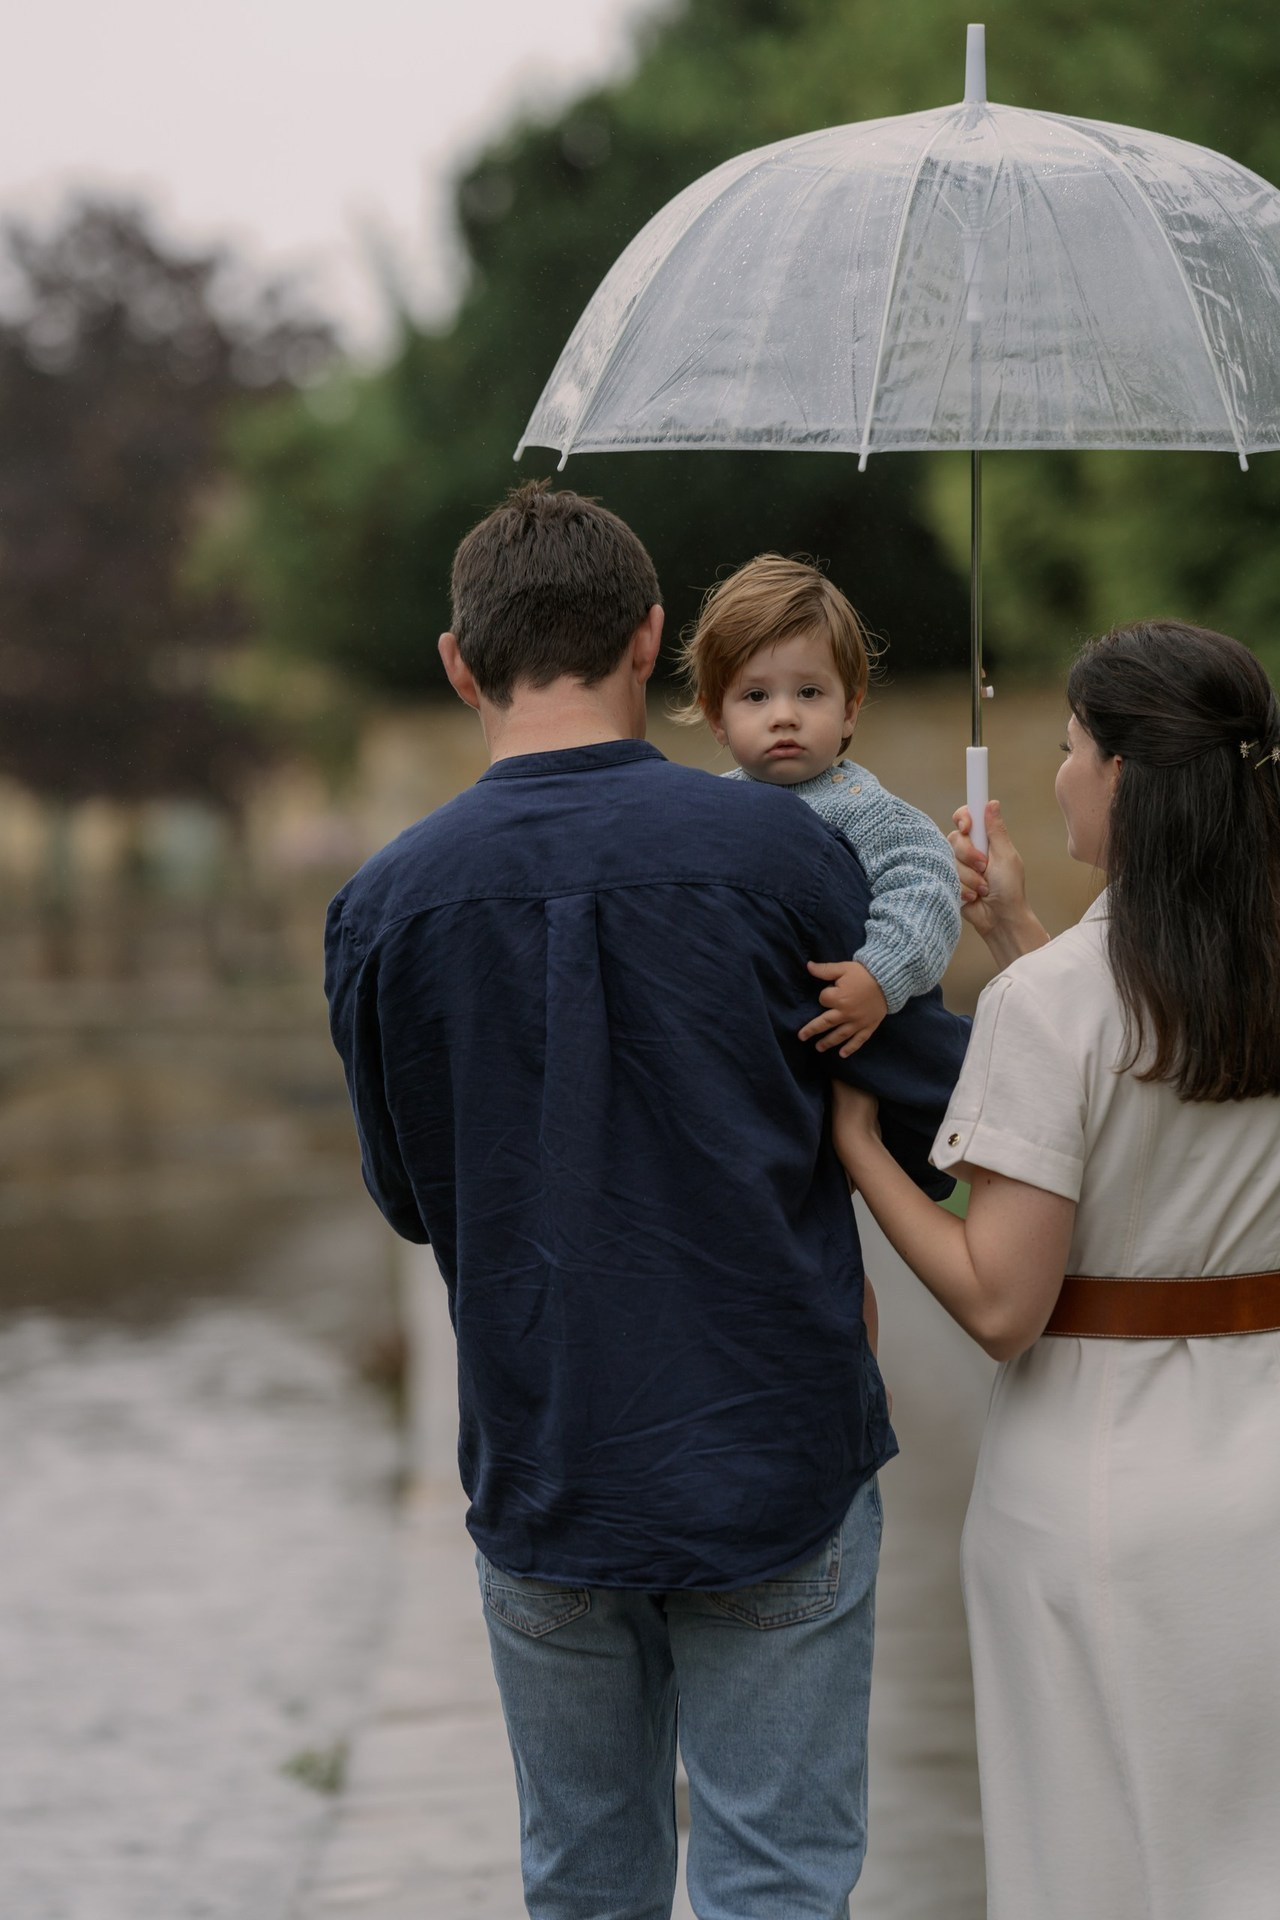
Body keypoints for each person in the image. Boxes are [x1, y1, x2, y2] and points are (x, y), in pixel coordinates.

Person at [324, 480, 969, 1920]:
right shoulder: (790, 856)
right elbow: (957, 1113)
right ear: (652, 638)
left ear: (457, 662)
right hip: (773, 1453)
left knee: (583, 1884)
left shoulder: (383, 907)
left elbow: (411, 1201)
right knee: (779, 1884)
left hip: (544, 1459)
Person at [830, 619, 1280, 1920]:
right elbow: (1156, 1085)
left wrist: (863, 1148)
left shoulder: (1056, 1008)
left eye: (1076, 749)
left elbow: (997, 1300)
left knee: (1092, 1855)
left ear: (1129, 777)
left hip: (1097, 1486)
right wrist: (1022, 926)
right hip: (1261, 1470)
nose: (1063, 772)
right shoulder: (1245, 978)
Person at [676, 554, 961, 1056]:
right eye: (756, 696)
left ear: (849, 710)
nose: (784, 715)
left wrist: (878, 977)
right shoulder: (708, 809)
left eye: (809, 692)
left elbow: (929, 890)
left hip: (854, 1032)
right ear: (716, 717)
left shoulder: (869, 811)